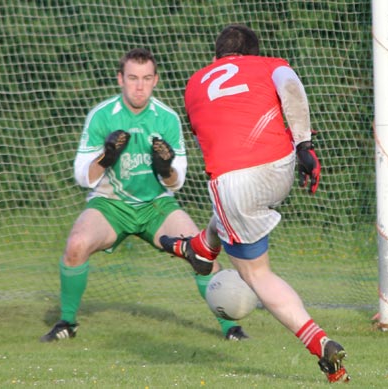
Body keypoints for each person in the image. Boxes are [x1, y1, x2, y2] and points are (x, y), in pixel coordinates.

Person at [160, 25, 350, 383]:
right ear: (252, 53)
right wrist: (305, 145)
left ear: (216, 57)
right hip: (280, 167)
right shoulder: (269, 64)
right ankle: (201, 247)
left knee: (256, 274)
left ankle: (319, 343)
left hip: (233, 181)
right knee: (233, 214)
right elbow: (291, 88)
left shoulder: (194, 83)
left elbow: (206, 131)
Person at [40, 48, 248, 343]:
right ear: (120, 79)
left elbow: (177, 182)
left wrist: (164, 168)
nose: (139, 86)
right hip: (111, 204)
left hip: (156, 205)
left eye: (146, 78)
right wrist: (106, 157)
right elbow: (82, 177)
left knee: (202, 253)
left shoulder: (167, 118)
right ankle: (67, 323)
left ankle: (232, 330)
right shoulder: (102, 115)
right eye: (133, 78)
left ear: (156, 80)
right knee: (76, 245)